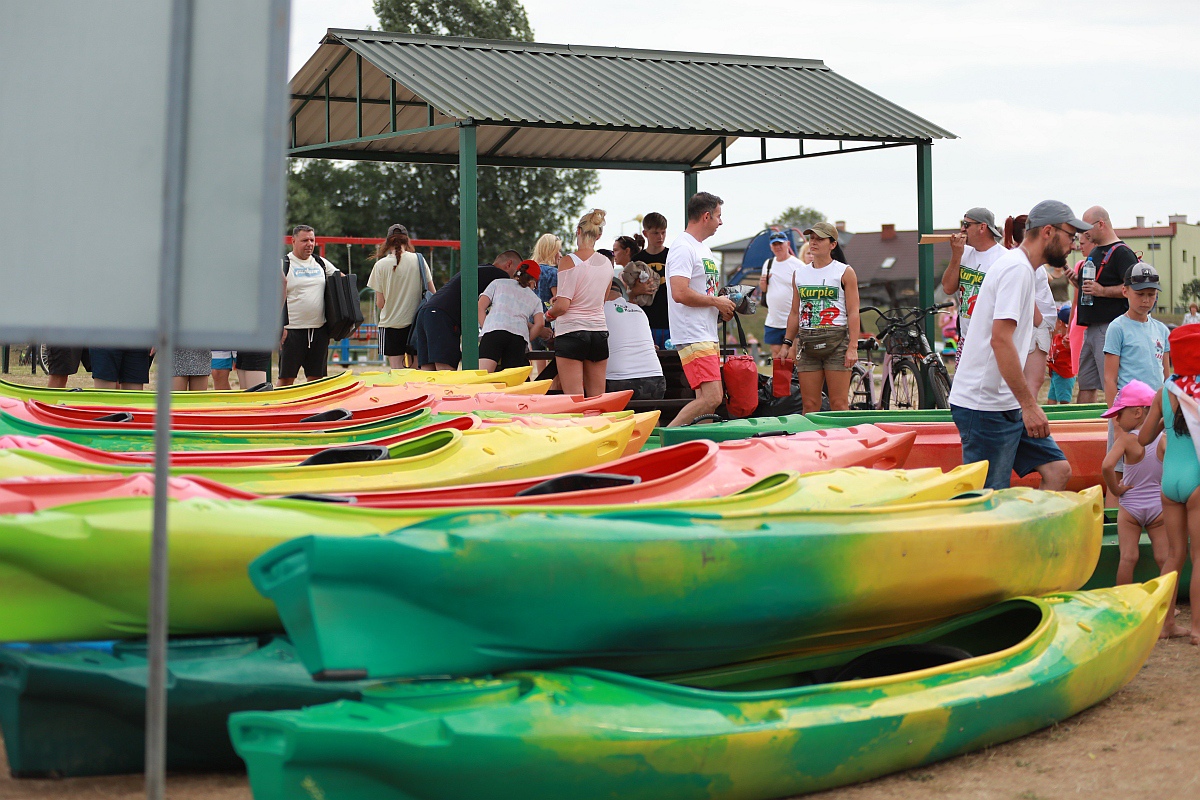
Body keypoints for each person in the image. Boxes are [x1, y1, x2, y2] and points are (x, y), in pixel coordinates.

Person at [947, 200, 1085, 491]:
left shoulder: (1022, 269)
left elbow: (1032, 321)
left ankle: (1033, 536)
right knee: (987, 497)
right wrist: (1030, 404)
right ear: (1048, 232)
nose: (1073, 245)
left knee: (1058, 471)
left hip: (1004, 401)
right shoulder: (1016, 270)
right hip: (984, 405)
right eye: (1070, 236)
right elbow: (1000, 340)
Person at [1136, 324, 1200, 640]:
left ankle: (1167, 625)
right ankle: (1199, 628)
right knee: (1199, 556)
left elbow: (1146, 437)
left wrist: (1165, 419)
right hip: (1197, 481)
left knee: (1174, 555)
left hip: (1169, 482)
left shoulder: (1165, 391)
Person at [665, 192, 735, 426]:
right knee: (712, 397)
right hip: (692, 333)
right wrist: (716, 302)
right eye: (718, 216)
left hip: (705, 332)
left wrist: (721, 306)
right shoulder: (683, 248)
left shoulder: (702, 248)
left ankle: (696, 449)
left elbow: (704, 292)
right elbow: (680, 292)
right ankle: (667, 437)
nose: (721, 222)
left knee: (706, 401)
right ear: (706, 216)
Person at [781, 221, 861, 413]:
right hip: (808, 342)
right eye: (811, 238)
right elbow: (794, 312)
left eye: (819, 239)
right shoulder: (799, 274)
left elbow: (853, 311)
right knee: (809, 405)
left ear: (832, 244)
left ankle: (845, 442)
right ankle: (811, 442)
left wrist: (853, 347)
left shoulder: (844, 271)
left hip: (837, 341)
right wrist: (786, 343)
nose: (813, 242)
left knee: (839, 404)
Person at [1100, 380, 1167, 586]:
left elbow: (1106, 466)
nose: (1116, 419)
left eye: (1120, 413)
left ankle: (1124, 602)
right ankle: (1167, 605)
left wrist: (1116, 489)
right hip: (1158, 506)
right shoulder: (1163, 439)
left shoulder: (1127, 440)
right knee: (1164, 558)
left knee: (1128, 557)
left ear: (1138, 412)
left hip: (1130, 506)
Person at [412, 250, 522, 370]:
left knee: (428, 371)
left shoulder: (480, 270)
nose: (515, 278)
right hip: (444, 316)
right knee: (445, 370)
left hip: (427, 312)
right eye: (516, 273)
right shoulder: (501, 276)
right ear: (509, 264)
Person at [1073, 206, 1139, 403]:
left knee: (1112, 383)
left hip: (1109, 327)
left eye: (1087, 229)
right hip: (1092, 328)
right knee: (1086, 383)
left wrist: (1103, 291)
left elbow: (1135, 289)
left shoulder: (1122, 253)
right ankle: (1084, 430)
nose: (1085, 234)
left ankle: (1118, 429)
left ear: (1101, 224)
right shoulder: (1097, 252)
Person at [547, 210, 613, 396]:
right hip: (598, 331)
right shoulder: (607, 263)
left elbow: (563, 306)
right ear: (599, 235)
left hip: (572, 332)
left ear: (578, 230)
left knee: (574, 398)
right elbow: (602, 299)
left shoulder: (568, 261)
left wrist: (549, 313)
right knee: (598, 397)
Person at [368, 224, 434, 369]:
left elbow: (380, 303)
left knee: (397, 371)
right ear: (407, 240)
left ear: (387, 242)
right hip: (416, 324)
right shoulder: (419, 260)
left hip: (391, 325)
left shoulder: (380, 265)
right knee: (416, 371)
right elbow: (433, 293)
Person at [279, 225, 337, 386]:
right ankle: (282, 408)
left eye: (312, 240)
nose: (309, 244)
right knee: (286, 379)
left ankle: (314, 410)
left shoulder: (320, 263)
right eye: (305, 240)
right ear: (293, 241)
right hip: (292, 331)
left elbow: (341, 280)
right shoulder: (284, 264)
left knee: (316, 379)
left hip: (319, 330)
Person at [941, 207, 1006, 347]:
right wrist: (956, 255)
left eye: (966, 225)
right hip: (966, 337)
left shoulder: (1003, 258)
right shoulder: (964, 253)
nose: (962, 229)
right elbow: (947, 288)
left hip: (990, 339)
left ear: (982, 227)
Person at [477, 260, 545, 372]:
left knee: (483, 376)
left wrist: (487, 328)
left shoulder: (498, 283)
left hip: (494, 332)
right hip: (518, 338)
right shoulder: (535, 298)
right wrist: (527, 338)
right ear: (533, 282)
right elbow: (540, 324)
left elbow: (480, 307)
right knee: (513, 381)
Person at [604, 276, 665, 400]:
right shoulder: (639, 310)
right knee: (650, 417)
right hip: (656, 380)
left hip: (619, 382)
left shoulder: (599, 310)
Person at [759, 231, 803, 362]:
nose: (777, 247)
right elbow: (764, 289)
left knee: (792, 354)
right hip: (774, 318)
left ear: (788, 244)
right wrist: (762, 283)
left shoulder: (798, 265)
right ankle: (779, 382)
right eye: (774, 245)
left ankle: (793, 382)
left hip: (792, 318)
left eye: (780, 244)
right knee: (776, 353)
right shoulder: (768, 263)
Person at [635, 212, 671, 347]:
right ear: (645, 233)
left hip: (671, 322)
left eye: (663, 232)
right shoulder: (637, 260)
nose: (660, 237)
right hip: (646, 322)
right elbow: (628, 294)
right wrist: (637, 290)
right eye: (656, 233)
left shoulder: (672, 256)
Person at [1046, 305, 1076, 404]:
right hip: (1055, 373)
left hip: (1065, 376)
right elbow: (1053, 352)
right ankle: (1051, 418)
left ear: (1060, 323)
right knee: (1051, 399)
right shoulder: (1057, 338)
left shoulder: (1069, 341)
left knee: (1064, 400)